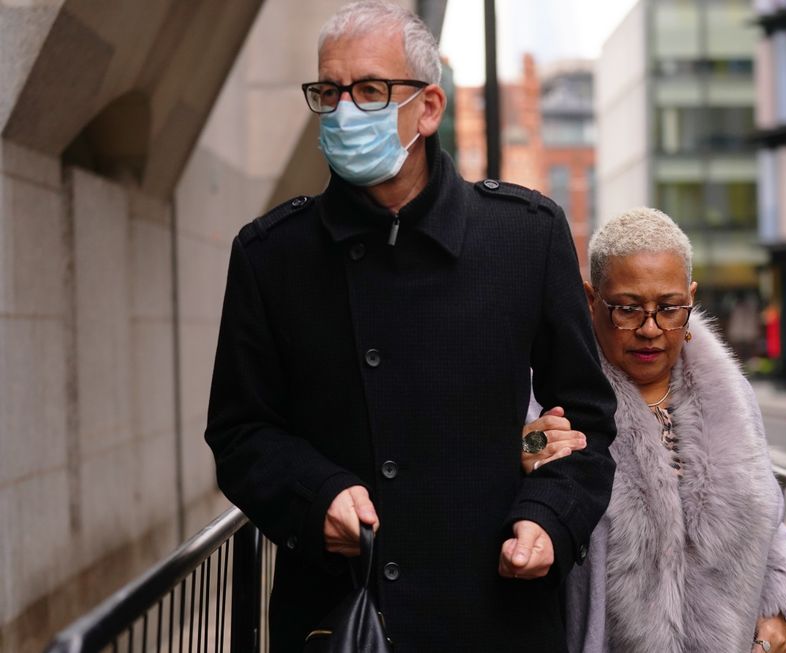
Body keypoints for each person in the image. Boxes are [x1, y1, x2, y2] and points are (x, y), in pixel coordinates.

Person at [204, 2, 617, 651]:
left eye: (369, 90)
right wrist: (317, 496)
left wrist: (548, 520)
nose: (343, 111)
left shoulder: (524, 238)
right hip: (338, 618)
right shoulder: (269, 256)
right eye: (329, 91)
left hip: (494, 615)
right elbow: (238, 432)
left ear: (428, 108)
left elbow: (588, 422)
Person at [525, 208, 786, 653]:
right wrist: (526, 450)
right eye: (627, 309)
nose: (650, 329)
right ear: (591, 301)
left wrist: (784, 613)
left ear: (691, 298)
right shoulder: (552, 393)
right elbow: (513, 477)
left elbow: (772, 530)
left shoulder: (732, 398)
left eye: (669, 308)